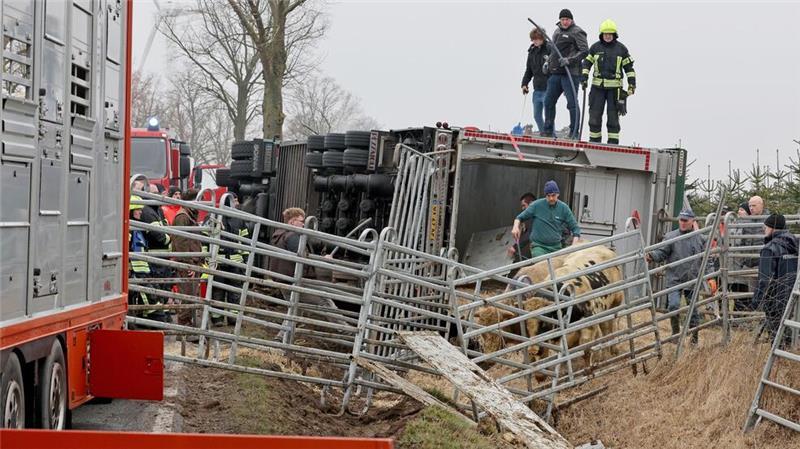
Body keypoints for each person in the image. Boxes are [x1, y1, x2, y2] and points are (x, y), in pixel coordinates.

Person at [271, 208, 347, 340]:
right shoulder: (293, 236)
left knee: (295, 308)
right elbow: (303, 258)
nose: (303, 224)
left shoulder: (280, 235)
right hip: (295, 281)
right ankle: (348, 332)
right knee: (325, 301)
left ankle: (281, 337)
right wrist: (323, 260)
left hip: (285, 280)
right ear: (292, 222)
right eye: (301, 221)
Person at [646, 209, 707, 343]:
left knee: (693, 310)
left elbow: (707, 258)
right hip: (674, 278)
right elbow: (662, 252)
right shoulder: (671, 237)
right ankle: (675, 333)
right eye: (681, 220)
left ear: (692, 221)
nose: (682, 223)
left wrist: (710, 277)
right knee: (673, 306)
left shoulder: (700, 238)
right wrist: (652, 256)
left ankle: (694, 338)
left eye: (686, 220)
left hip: (692, 279)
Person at [581, 19, 636, 145]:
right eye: (605, 34)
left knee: (613, 120)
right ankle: (594, 143)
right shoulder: (595, 48)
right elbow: (587, 63)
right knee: (594, 118)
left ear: (614, 35)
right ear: (601, 34)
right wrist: (584, 78)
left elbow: (629, 69)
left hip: (615, 90)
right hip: (597, 88)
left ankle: (613, 145)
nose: (607, 36)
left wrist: (632, 84)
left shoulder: (621, 49)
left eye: (610, 34)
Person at [750, 214, 798, 346]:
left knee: (777, 334)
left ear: (772, 228)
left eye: (765, 226)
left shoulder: (769, 249)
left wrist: (756, 301)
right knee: (791, 328)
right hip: (794, 293)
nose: (763, 229)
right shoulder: (795, 244)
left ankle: (780, 355)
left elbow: (764, 279)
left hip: (775, 297)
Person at [541, 9, 588, 140]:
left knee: (572, 104)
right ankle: (548, 130)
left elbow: (585, 51)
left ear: (571, 20)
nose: (565, 22)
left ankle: (574, 132)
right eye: (562, 19)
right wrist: (548, 63)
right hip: (556, 74)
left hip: (570, 74)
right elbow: (553, 51)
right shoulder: (557, 32)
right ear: (560, 20)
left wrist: (569, 60)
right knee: (548, 101)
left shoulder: (577, 32)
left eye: (567, 19)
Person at [511, 181, 581, 257]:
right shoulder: (536, 205)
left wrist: (573, 247)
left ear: (558, 194)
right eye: (548, 196)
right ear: (545, 195)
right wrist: (515, 227)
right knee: (541, 260)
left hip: (556, 247)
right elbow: (519, 218)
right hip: (539, 246)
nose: (551, 198)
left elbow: (575, 228)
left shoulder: (564, 208)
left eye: (553, 195)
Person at [128, 195, 168, 323]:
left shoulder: (139, 228)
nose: (141, 212)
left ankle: (148, 321)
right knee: (149, 297)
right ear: (130, 211)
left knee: (150, 294)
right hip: (135, 270)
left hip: (143, 269)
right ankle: (157, 320)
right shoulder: (128, 230)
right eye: (138, 210)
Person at [171, 189, 202, 328]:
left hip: (192, 262)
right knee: (187, 295)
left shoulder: (188, 215)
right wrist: (188, 264)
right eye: (198, 200)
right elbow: (181, 243)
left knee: (191, 295)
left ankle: (187, 326)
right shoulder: (182, 217)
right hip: (187, 263)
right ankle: (184, 327)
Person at [730, 201, 759, 311]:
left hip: (743, 265)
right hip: (735, 266)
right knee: (736, 293)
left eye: (742, 210)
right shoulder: (735, 224)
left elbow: (740, 243)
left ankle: (744, 315)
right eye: (739, 209)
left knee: (745, 294)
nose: (739, 212)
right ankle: (737, 315)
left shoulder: (749, 226)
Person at [521, 27, 550, 135]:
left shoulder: (549, 48)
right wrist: (524, 84)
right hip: (537, 89)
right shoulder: (531, 52)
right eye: (533, 39)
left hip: (548, 88)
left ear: (542, 38)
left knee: (549, 115)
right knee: (537, 115)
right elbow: (528, 70)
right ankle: (544, 134)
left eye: (537, 39)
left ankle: (550, 135)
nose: (535, 41)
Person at [508, 192, 536, 261]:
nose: (522, 208)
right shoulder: (529, 217)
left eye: (524, 205)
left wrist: (515, 247)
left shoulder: (534, 216)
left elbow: (530, 234)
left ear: (531, 203)